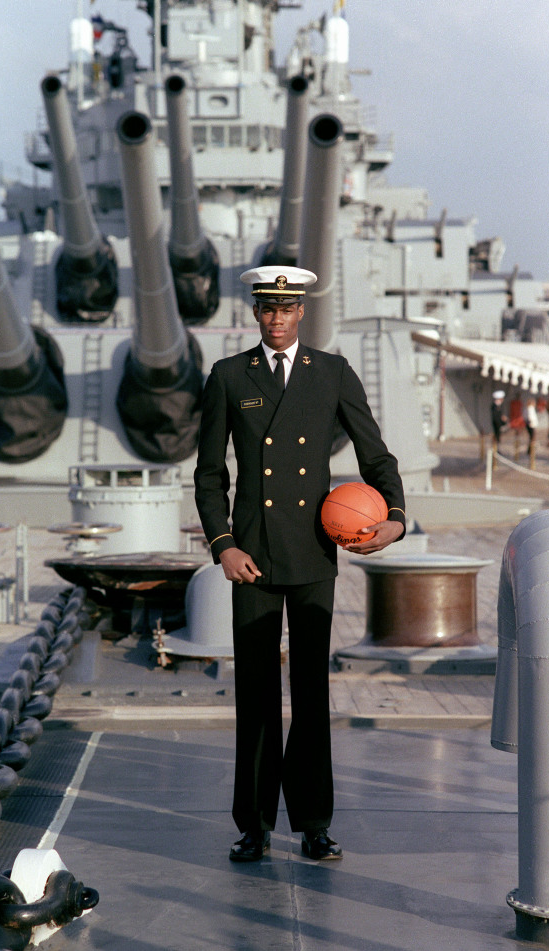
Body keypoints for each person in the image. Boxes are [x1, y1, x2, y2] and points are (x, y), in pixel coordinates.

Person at [194, 265, 406, 863]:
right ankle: (255, 825)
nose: (278, 319)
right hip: (252, 558)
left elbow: (375, 453)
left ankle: (314, 821)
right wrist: (223, 545)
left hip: (315, 553)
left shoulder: (332, 374)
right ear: (256, 312)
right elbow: (210, 476)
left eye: (287, 309)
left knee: (311, 693)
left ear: (302, 312)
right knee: (256, 695)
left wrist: (394, 516)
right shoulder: (229, 376)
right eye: (268, 309)